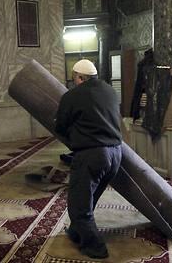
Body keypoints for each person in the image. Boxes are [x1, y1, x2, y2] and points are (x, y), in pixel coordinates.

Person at [55, 59, 123, 259]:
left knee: (78, 206)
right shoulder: (110, 91)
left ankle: (95, 248)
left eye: (74, 77)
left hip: (92, 155)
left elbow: (60, 127)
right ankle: (76, 232)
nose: (74, 81)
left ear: (80, 77)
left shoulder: (72, 96)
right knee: (87, 200)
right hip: (116, 155)